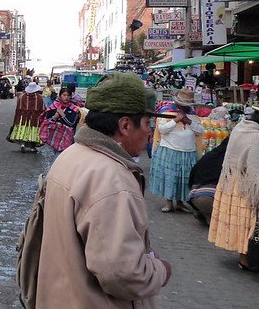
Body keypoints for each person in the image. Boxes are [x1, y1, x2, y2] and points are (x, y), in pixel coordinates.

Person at [36, 73, 172, 307]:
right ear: (125, 125)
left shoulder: (72, 155)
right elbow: (122, 273)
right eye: (148, 123)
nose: (150, 132)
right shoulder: (112, 179)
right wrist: (160, 270)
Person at [208, 93, 259, 271]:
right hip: (248, 188)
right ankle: (247, 259)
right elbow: (258, 170)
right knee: (250, 225)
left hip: (235, 184)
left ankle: (245, 257)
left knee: (241, 223)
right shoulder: (257, 138)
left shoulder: (241, 128)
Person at [149, 89, 203, 213]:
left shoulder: (193, 116)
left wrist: (188, 121)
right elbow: (162, 129)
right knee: (170, 177)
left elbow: (200, 131)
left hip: (188, 151)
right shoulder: (166, 113)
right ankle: (169, 203)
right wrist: (175, 120)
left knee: (183, 179)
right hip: (170, 150)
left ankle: (180, 203)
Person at [187, 135, 230, 225]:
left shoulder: (210, 155)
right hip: (211, 199)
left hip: (194, 196)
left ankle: (205, 214)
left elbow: (192, 176)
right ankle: (211, 218)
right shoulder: (229, 160)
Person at [40, 88, 81, 159]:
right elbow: (46, 122)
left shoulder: (74, 110)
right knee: (55, 157)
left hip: (67, 139)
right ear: (60, 96)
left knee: (61, 157)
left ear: (71, 97)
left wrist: (63, 115)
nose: (66, 97)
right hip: (54, 138)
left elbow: (72, 124)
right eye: (64, 95)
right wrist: (55, 117)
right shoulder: (53, 107)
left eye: (68, 95)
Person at [7, 81, 45, 153]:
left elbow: (18, 108)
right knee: (33, 131)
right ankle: (32, 147)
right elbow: (42, 109)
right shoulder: (39, 98)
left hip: (23, 116)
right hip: (35, 117)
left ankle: (23, 144)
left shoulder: (22, 96)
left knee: (23, 129)